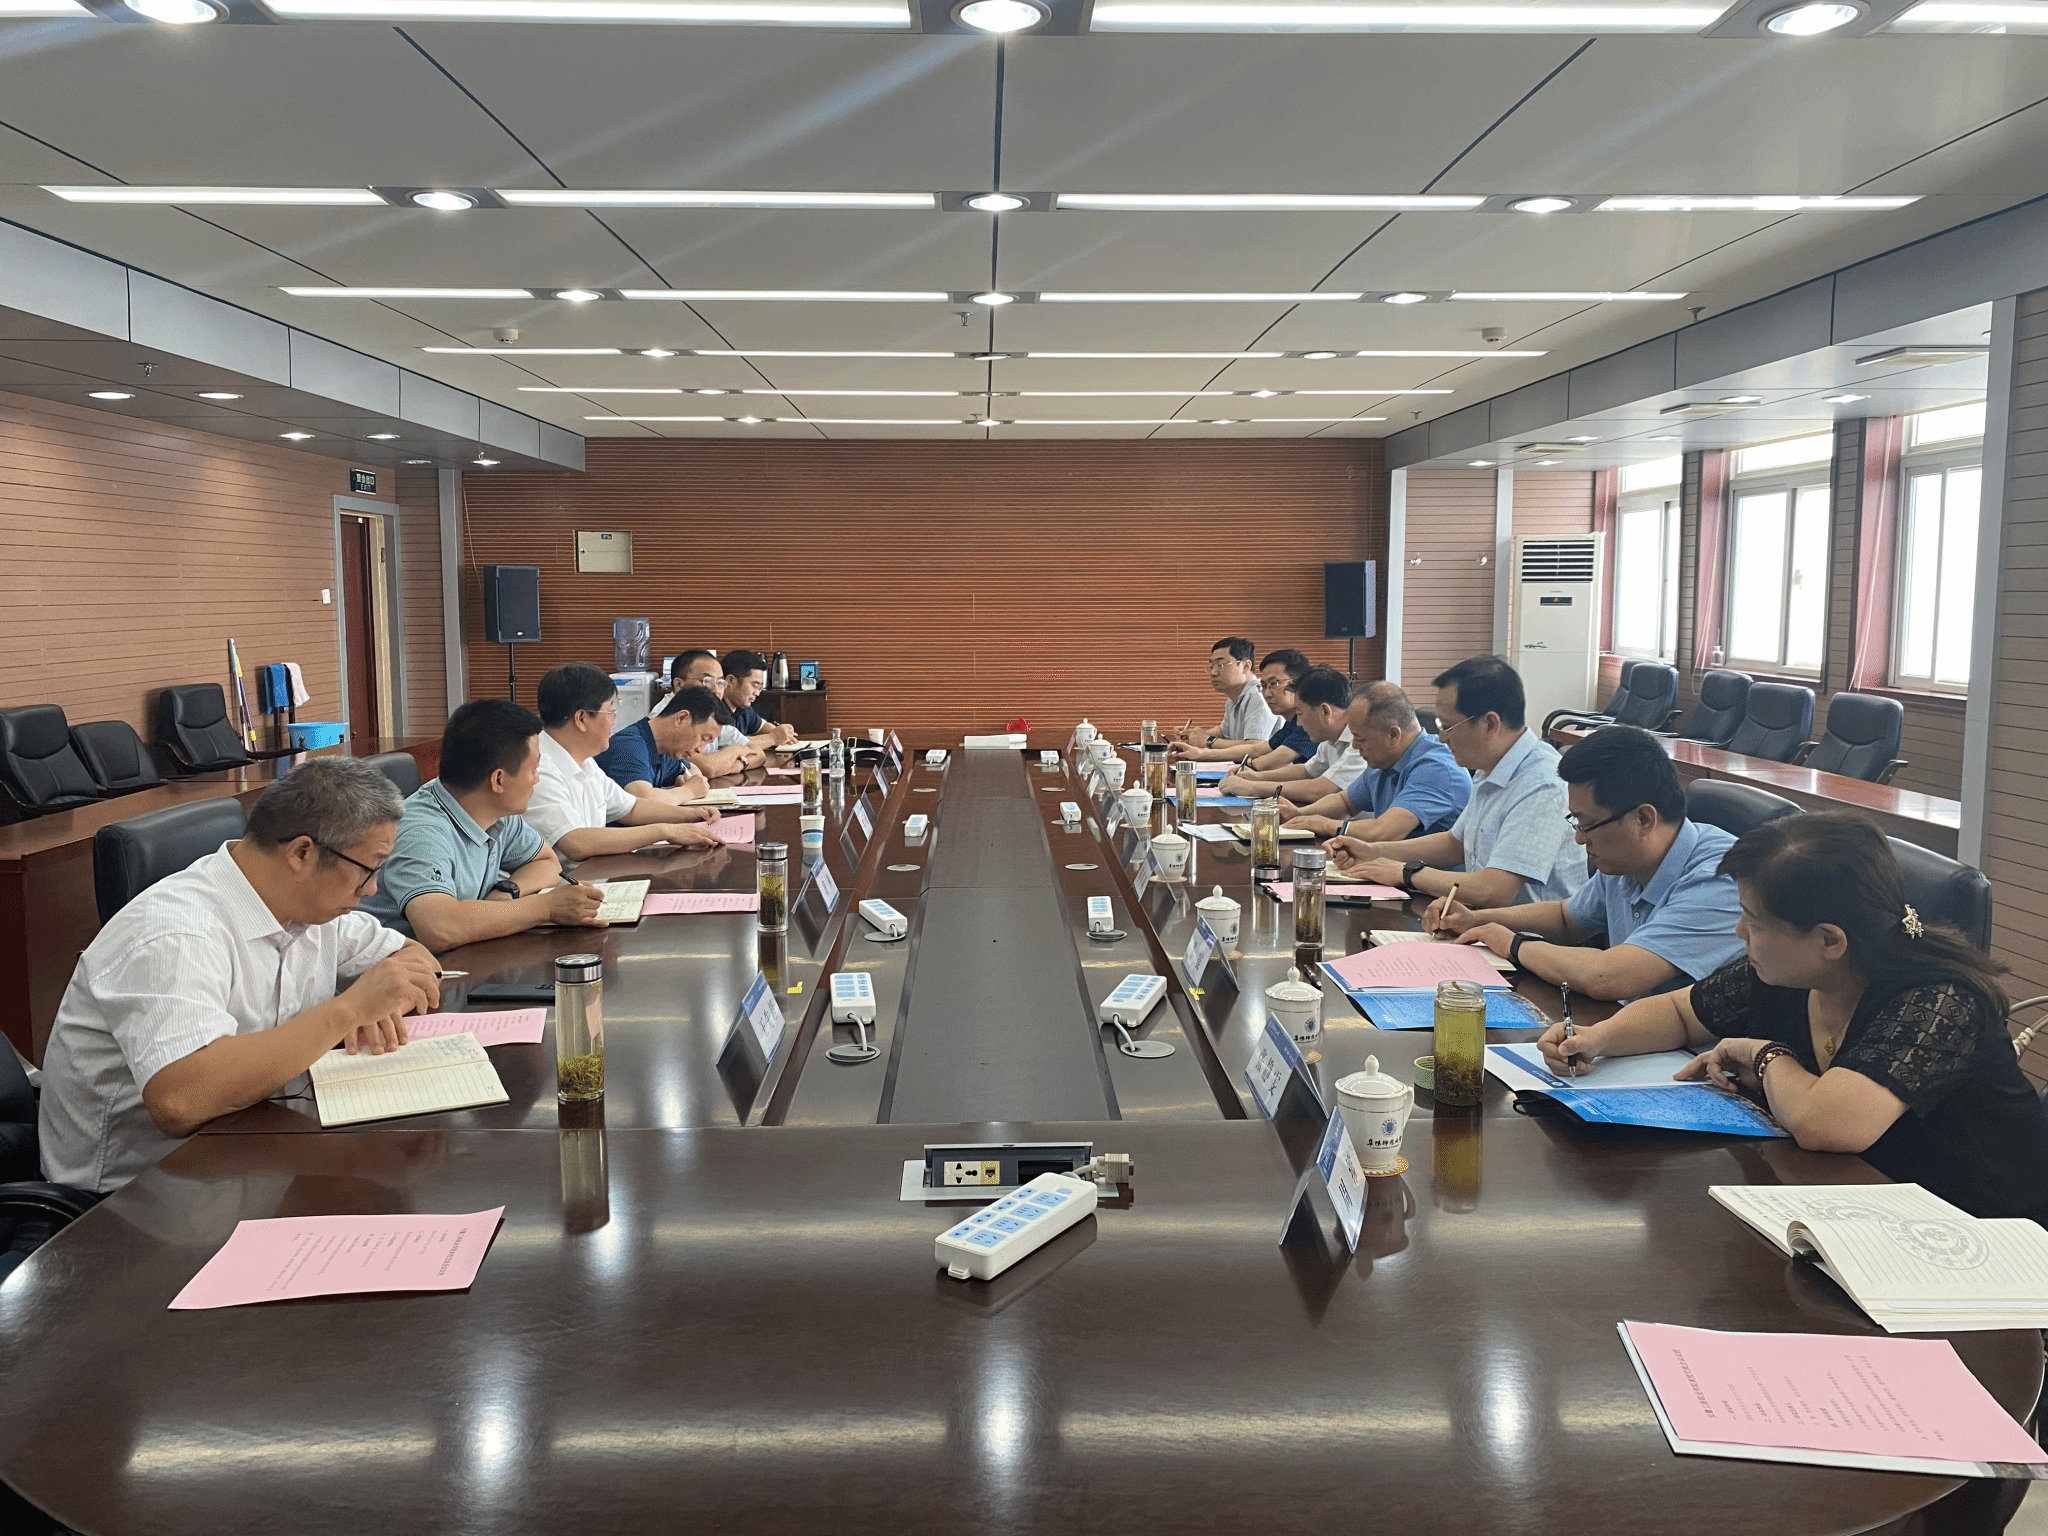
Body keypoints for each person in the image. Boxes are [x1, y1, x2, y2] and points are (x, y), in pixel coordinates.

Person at [1539, 813, 2048, 1226]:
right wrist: (1597, 1038)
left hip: (1982, 1236)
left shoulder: (1939, 999)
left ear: (1829, 940)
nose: (1739, 932)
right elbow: (1680, 1011)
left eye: (1754, 921)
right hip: (1861, 1211)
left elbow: (1826, 1124)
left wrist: (1765, 1055)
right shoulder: (1788, 971)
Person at [37, 759, 445, 1193]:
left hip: (256, 1153)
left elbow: (419, 960)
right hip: (136, 1197)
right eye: (369, 868)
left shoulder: (310, 906)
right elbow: (181, 1100)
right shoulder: (175, 933)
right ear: (302, 853)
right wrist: (349, 1011)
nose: (372, 889)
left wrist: (383, 1004)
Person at [1431, 725, 1741, 1000]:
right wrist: (1476, 920)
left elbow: (1611, 977)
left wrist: (1514, 945)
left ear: (1643, 819)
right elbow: (1566, 919)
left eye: (1587, 824)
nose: (1579, 839)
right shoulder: (1628, 859)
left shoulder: (1721, 879)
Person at [1329, 654, 1585, 907]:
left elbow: (1494, 890)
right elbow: (1455, 844)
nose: (1442, 738)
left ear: (1490, 724)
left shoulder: (1541, 783)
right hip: (1482, 922)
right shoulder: (1489, 768)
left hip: (1524, 931)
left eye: (1447, 726)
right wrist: (1373, 851)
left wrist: (1406, 873)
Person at [362, 698, 606, 949]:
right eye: (533, 769)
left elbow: (546, 863)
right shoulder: (422, 833)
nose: (536, 780)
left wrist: (508, 890)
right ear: (498, 780)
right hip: (403, 966)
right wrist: (547, 907)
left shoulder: (494, 810)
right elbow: (439, 928)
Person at [525, 663, 724, 859]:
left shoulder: (585, 762)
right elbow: (576, 842)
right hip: (564, 878)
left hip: (593, 871)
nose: (614, 722)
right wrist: (664, 831)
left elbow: (631, 808)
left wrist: (693, 815)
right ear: (582, 719)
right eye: (610, 712)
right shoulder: (539, 769)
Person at [1285, 681, 1471, 842]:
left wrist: (1323, 824)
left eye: (1361, 739)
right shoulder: (1385, 761)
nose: (1355, 746)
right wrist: (1299, 814)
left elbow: (1383, 832)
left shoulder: (1437, 768)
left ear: (1393, 734)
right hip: (1392, 865)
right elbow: (1345, 802)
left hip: (1430, 873)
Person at [1218, 665, 1366, 805]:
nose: (1299, 723)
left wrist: (1253, 787)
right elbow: (1307, 771)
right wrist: (1256, 777)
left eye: (1300, 714)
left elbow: (1320, 789)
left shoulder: (1362, 740)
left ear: (1325, 712)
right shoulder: (1331, 738)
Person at [1172, 649, 1314, 767]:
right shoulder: (1292, 724)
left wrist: (1208, 744)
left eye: (1274, 684)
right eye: (1263, 686)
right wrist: (1200, 753)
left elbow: (1266, 761)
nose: (1267, 693)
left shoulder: (1310, 722)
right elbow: (1256, 750)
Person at [596, 683, 724, 805]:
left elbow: (692, 769)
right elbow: (643, 803)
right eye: (703, 738)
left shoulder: (666, 750)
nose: (700, 750)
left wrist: (688, 779)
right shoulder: (629, 746)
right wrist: (689, 791)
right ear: (681, 718)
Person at [671, 650, 768, 777]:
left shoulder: (710, 715)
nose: (716, 690)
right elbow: (708, 768)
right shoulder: (671, 718)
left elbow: (759, 754)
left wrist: (739, 764)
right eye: (707, 681)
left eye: (720, 683)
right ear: (679, 684)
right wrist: (737, 750)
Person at [1171, 637, 1276, 754]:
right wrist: (1192, 735)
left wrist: (1208, 741)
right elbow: (1224, 732)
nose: (1213, 673)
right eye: (1212, 666)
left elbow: (1256, 745)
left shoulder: (1259, 695)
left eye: (1220, 665)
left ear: (1246, 666)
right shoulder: (1234, 698)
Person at [722, 649, 798, 748]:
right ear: (731, 681)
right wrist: (773, 737)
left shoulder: (742, 707)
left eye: (760, 688)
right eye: (754, 685)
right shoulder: (712, 711)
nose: (757, 693)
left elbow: (762, 726)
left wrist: (781, 733)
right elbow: (730, 746)